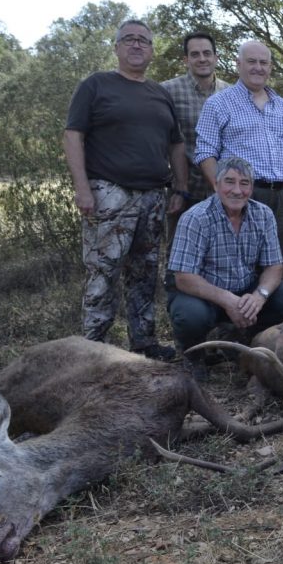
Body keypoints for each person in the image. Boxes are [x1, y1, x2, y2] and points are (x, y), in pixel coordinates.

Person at [63, 19, 186, 360]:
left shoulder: (160, 93)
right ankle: (91, 350)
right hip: (109, 192)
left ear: (151, 50)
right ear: (116, 47)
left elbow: (176, 145)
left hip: (153, 196)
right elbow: (74, 135)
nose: (136, 45)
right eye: (128, 39)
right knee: (104, 272)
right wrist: (82, 188)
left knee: (145, 272)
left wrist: (181, 187)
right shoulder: (96, 85)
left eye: (143, 40)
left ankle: (143, 343)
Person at [167, 157, 283, 379]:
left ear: (251, 188)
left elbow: (274, 266)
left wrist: (259, 297)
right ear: (216, 185)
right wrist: (227, 300)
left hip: (244, 290)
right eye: (229, 182)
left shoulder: (263, 214)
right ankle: (192, 355)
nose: (237, 190)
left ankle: (243, 337)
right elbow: (183, 277)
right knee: (190, 316)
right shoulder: (195, 218)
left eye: (244, 183)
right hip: (206, 295)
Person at [194, 40, 283, 265]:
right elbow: (205, 152)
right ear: (238, 64)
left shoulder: (281, 106)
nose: (258, 67)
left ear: (270, 67)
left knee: (276, 264)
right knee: (239, 264)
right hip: (243, 194)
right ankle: (239, 302)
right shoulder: (218, 103)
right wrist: (223, 190)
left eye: (264, 62)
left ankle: (270, 301)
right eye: (251, 61)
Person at [161, 32, 231, 249]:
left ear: (216, 57)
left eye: (207, 53)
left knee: (218, 252)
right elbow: (161, 139)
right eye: (195, 54)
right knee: (179, 254)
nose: (202, 59)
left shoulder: (230, 93)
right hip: (184, 189)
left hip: (222, 191)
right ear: (186, 59)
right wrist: (173, 184)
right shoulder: (167, 91)